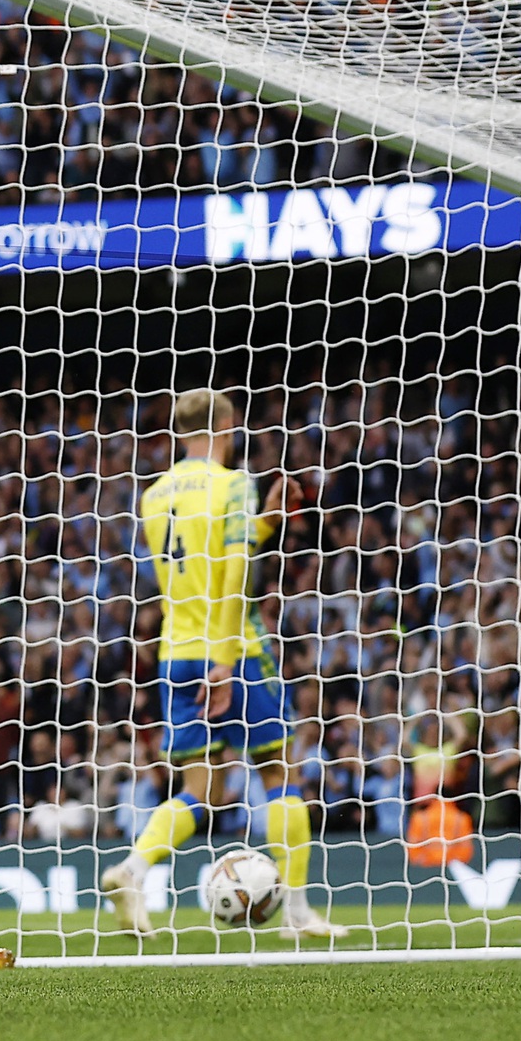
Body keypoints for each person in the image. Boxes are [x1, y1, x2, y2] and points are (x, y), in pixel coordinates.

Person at [99, 390, 348, 940]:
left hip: (175, 654)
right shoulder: (235, 483)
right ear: (227, 427)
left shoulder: (155, 493)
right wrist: (228, 659)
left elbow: (194, 560)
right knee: (277, 770)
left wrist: (262, 526)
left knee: (202, 787)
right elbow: (232, 570)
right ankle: (300, 915)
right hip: (230, 650)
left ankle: (132, 870)